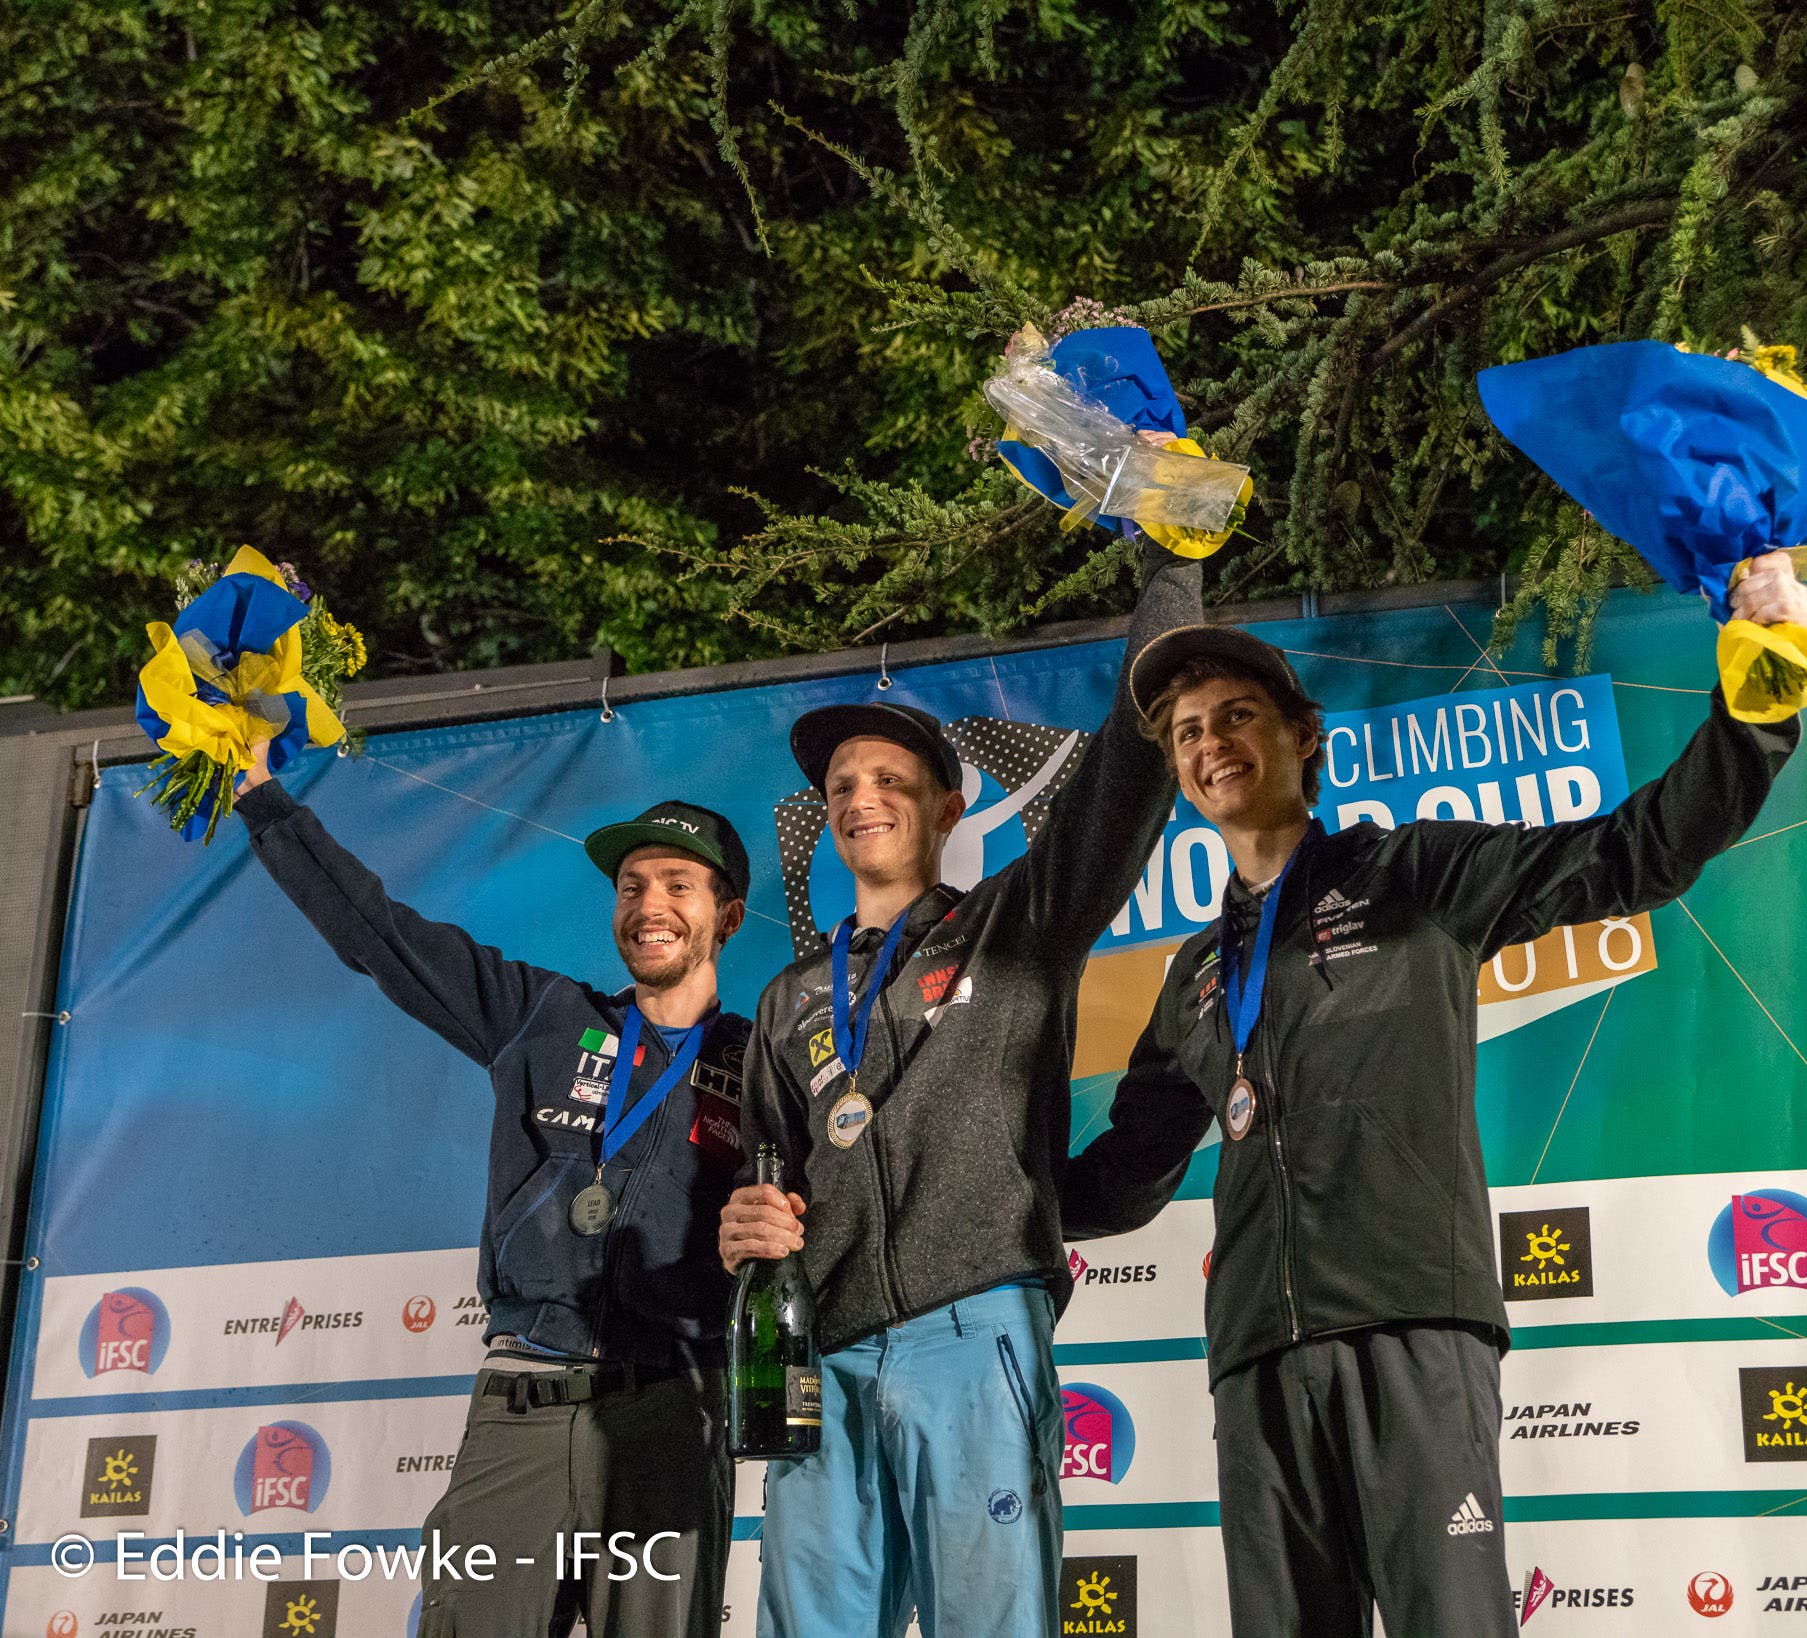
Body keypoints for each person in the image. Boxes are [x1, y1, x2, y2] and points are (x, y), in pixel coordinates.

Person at [1058, 553, 1807, 1635]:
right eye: (1184, 734)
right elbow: (1122, 1177)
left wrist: (1760, 696)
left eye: (1232, 715)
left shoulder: (1407, 873)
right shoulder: (1191, 974)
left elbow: (1632, 855)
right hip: (1255, 1363)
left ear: (1299, 734)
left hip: (1411, 1324)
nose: (1208, 745)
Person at [717, 539, 1202, 1638]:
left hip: (975, 1332)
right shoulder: (791, 998)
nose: (860, 798)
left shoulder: (1018, 925)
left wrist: (1171, 569)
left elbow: (1125, 778)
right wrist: (742, 1229)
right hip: (818, 1360)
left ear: (946, 808)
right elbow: (764, 1193)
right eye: (841, 787)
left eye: (889, 781)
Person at [236, 747, 750, 1638]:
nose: (650, 905)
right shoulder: (543, 1016)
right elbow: (381, 937)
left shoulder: (762, 1062)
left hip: (672, 1414)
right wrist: (261, 797)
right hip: (523, 1409)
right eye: (631, 886)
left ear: (728, 916)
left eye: (677, 884)